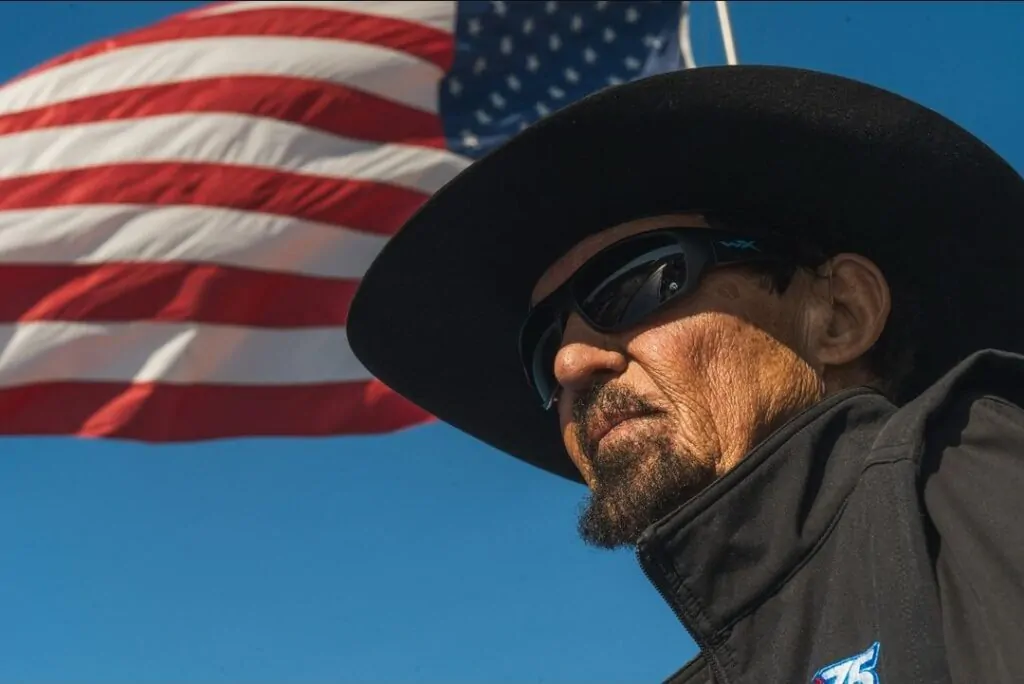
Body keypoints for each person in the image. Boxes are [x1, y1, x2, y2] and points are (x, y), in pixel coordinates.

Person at [347, 66, 1024, 683]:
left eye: (636, 282)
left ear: (840, 314)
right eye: (542, 349)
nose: (570, 362)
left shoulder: (980, 475)